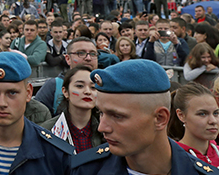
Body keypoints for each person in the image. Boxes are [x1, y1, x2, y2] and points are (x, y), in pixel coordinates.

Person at [71, 59, 217, 175]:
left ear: (160, 118)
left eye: (117, 116)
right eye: (101, 113)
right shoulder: (84, 169)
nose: (102, 127)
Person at [40, 66, 104, 153]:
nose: (88, 91)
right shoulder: (48, 130)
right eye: (80, 86)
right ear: (65, 92)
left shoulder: (105, 129)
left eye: (93, 87)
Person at [36, 37, 99, 115]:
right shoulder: (53, 86)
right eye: (81, 53)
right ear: (68, 59)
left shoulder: (105, 86)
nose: (88, 58)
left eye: (93, 54)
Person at [168, 82, 219, 167]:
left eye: (216, 113)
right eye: (202, 114)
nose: (213, 121)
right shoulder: (172, 158)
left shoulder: (216, 151)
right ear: (181, 115)